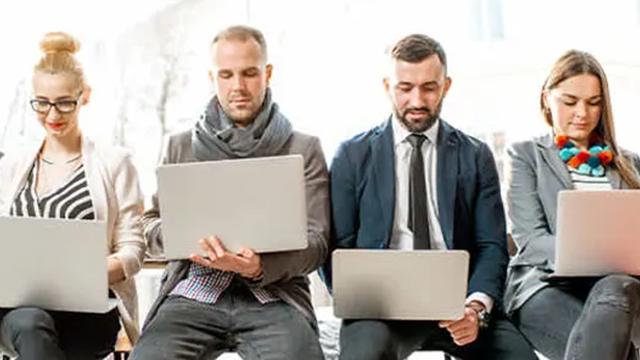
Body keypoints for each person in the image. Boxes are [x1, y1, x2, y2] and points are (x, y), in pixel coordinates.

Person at [322, 33, 537, 360]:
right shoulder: (352, 156)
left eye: (429, 87)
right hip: (379, 309)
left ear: (446, 86)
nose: (417, 100)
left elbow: (491, 246)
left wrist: (476, 307)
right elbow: (337, 247)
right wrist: (358, 299)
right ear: (387, 86)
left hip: (459, 303)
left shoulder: (476, 156)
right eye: (405, 88)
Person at [130, 25, 330, 360]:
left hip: (274, 296)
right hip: (193, 294)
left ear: (267, 73)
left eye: (249, 73)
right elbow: (150, 223)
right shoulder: (180, 146)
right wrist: (182, 238)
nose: (238, 86)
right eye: (226, 75)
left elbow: (318, 244)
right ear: (213, 77)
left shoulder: (303, 148)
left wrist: (257, 267)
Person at [0, 31, 145, 360]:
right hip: (18, 311)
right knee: (30, 323)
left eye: (65, 102)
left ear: (85, 96)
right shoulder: (10, 166)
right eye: (42, 103)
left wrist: (81, 275)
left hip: (88, 311)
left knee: (38, 335)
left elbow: (133, 251)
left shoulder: (115, 162)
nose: (52, 115)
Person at [504, 49, 640, 360]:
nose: (582, 113)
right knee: (616, 349)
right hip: (544, 285)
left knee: (616, 289)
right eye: (570, 102)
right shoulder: (525, 155)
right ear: (546, 99)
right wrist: (598, 255)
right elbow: (531, 240)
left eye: (594, 103)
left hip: (618, 289)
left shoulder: (630, 164)